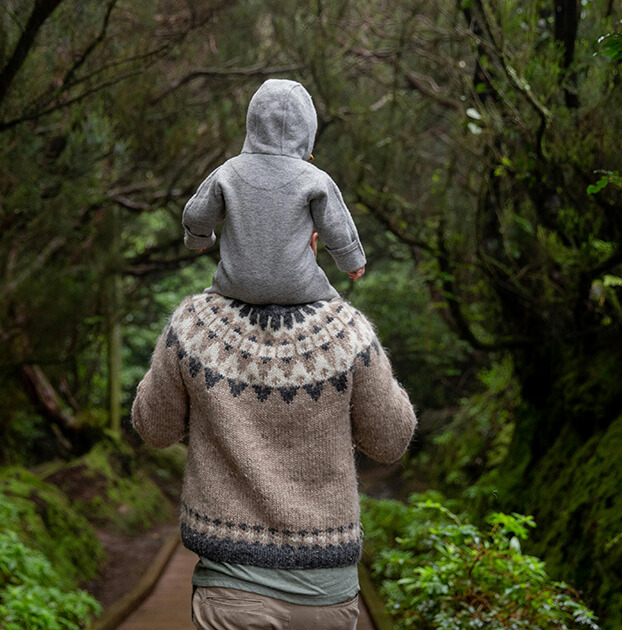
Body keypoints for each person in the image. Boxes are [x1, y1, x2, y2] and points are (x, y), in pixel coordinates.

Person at [130, 272, 417, 629]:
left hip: (231, 590)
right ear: (313, 239)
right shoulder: (346, 330)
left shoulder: (193, 325)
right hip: (325, 593)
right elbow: (391, 441)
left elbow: (154, 429)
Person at [182, 78, 367, 306]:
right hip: (300, 287)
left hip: (235, 286)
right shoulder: (314, 178)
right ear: (307, 128)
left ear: (253, 121)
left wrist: (198, 237)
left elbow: (197, 212)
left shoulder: (229, 171)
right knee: (338, 314)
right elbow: (337, 225)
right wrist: (352, 261)